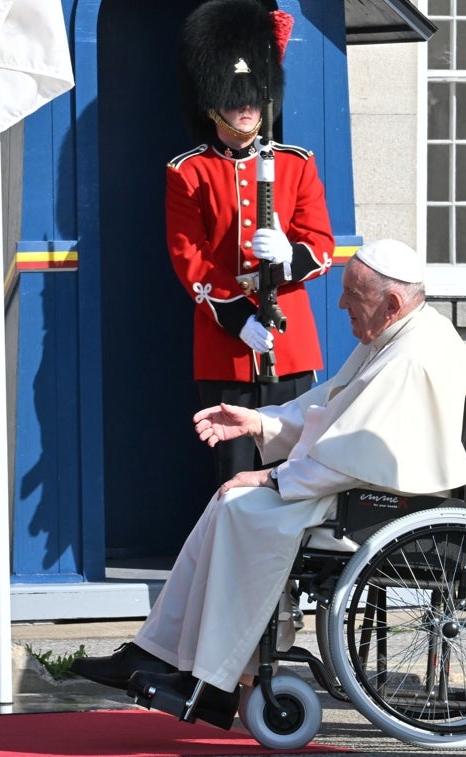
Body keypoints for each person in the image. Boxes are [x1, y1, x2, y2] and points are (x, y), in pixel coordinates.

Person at [72, 239, 466, 724]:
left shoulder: (411, 353)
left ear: (391, 303)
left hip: (378, 501)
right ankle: (165, 654)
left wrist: (273, 478)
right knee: (231, 502)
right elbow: (331, 407)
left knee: (241, 507)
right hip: (359, 490)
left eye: (353, 293)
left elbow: (356, 455)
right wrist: (259, 423)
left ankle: (211, 676)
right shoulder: (396, 336)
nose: (340, 304)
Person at [168, 0, 335, 483]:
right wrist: (238, 317)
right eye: (234, 97)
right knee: (235, 477)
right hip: (228, 345)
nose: (245, 106)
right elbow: (189, 257)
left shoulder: (296, 163)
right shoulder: (188, 173)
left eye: (252, 97)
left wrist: (288, 257)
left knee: (294, 476)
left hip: (290, 344)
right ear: (210, 100)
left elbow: (321, 243)